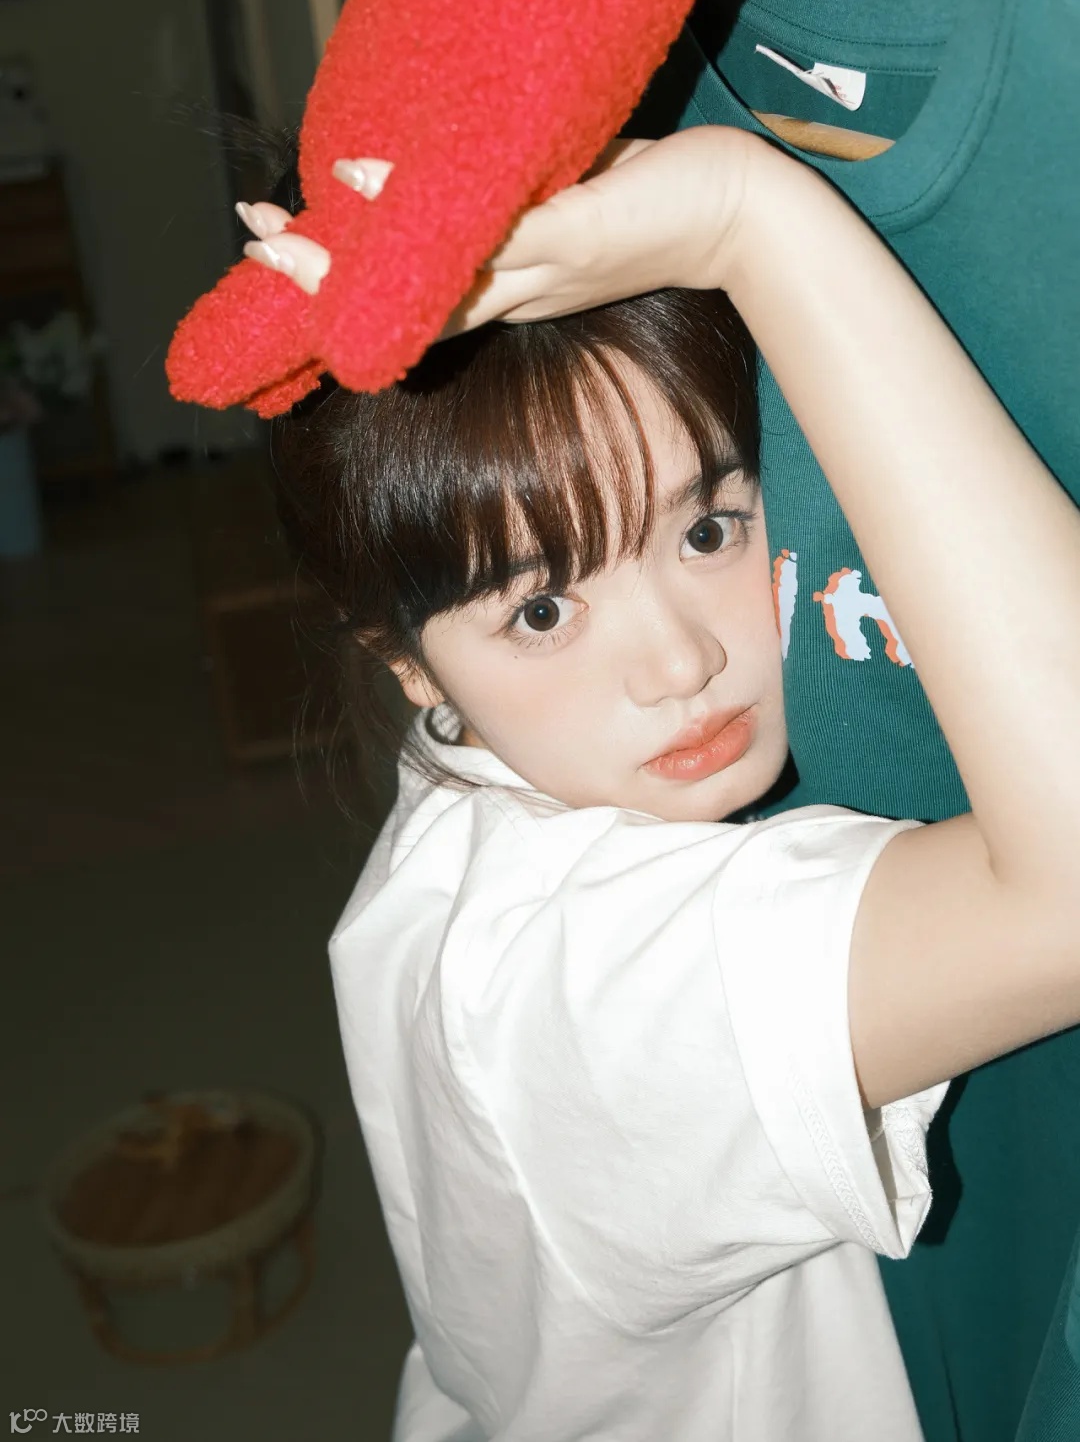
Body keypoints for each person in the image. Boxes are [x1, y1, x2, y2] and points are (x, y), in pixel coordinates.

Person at [239, 126, 1080, 1441]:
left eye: (705, 530)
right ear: (404, 660)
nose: (681, 662)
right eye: (541, 612)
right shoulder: (584, 989)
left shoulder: (488, 767)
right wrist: (756, 221)